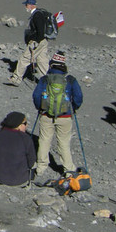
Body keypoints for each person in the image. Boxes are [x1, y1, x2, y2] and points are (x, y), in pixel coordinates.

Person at [31, 52, 84, 185]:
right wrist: (74, 108)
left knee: (44, 140)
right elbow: (78, 97)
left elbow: (36, 96)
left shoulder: (45, 79)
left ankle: (41, 167)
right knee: (64, 143)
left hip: (46, 115)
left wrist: (41, 108)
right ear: (64, 65)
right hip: (65, 116)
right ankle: (68, 169)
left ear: (51, 64)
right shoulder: (70, 80)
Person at [6, 0, 51, 85]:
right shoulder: (40, 13)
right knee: (42, 61)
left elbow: (40, 31)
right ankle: (48, 81)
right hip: (44, 41)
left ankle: (16, 79)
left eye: (26, 5)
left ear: (30, 5)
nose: (25, 7)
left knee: (24, 59)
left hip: (37, 42)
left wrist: (36, 42)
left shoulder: (37, 15)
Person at [0, 112, 36, 186]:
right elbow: (31, 160)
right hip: (20, 179)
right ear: (18, 125)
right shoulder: (25, 138)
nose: (27, 125)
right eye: (25, 123)